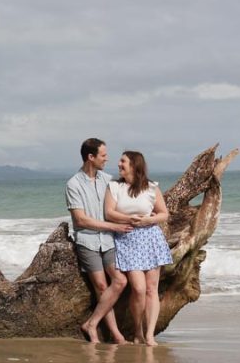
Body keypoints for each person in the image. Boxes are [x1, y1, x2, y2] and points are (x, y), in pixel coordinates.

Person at [66, 138, 133, 344]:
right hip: (87, 242)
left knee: (120, 281)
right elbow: (81, 220)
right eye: (103, 155)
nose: (107, 158)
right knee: (102, 287)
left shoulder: (108, 180)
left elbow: (126, 198)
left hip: (109, 241)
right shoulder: (73, 184)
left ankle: (92, 323)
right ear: (91, 157)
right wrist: (113, 226)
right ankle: (115, 334)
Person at [104, 151, 172, 346]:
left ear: (134, 165)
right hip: (127, 240)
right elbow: (109, 213)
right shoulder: (115, 186)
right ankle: (138, 331)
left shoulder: (151, 187)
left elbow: (163, 214)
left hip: (151, 239)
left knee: (152, 288)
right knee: (139, 289)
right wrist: (130, 219)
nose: (119, 164)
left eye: (123, 161)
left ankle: (149, 335)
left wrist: (149, 219)